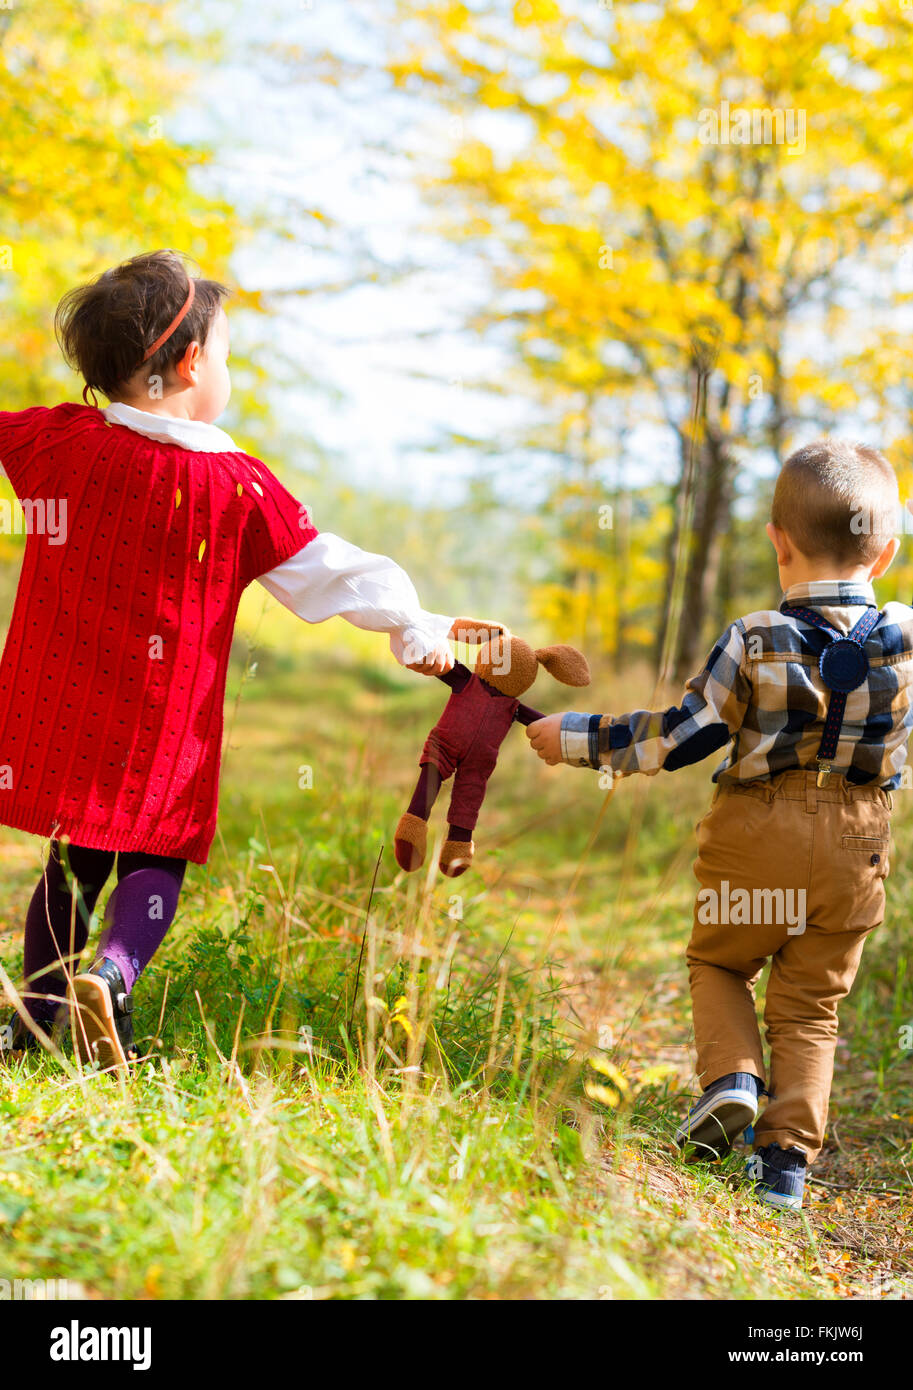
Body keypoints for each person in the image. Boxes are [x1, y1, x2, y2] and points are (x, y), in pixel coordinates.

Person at [0, 248, 473, 1071]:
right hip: (163, 733)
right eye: (222, 354)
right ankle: (112, 977)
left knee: (73, 859)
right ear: (188, 364)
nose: (226, 369)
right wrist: (414, 628)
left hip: (63, 711)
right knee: (158, 857)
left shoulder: (55, 444)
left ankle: (33, 1015)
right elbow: (327, 570)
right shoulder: (234, 487)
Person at [527, 439, 913, 1209]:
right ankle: (783, 1167)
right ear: (887, 552)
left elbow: (684, 737)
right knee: (810, 1006)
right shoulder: (906, 637)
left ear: (776, 540)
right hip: (856, 847)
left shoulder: (756, 635)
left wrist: (574, 736)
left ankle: (731, 1078)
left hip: (756, 837)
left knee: (721, 964)